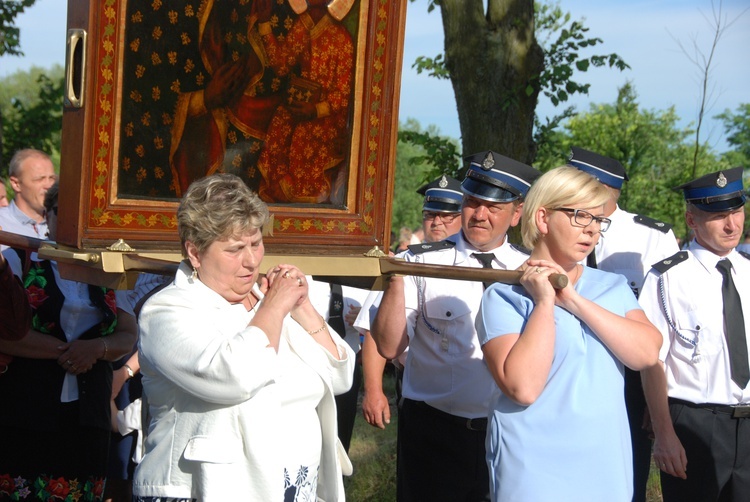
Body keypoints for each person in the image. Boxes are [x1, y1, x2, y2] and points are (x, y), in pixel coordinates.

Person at [132, 173, 355, 501]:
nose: (251, 260)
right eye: (235, 249)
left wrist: (303, 307)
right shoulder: (167, 310)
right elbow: (234, 377)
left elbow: (340, 378)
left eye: (256, 243)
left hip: (297, 487)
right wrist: (276, 306)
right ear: (195, 253)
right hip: (209, 489)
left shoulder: (266, 300)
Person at [476, 166, 661, 501]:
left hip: (605, 464)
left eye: (598, 220)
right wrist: (545, 304)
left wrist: (574, 301)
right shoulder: (503, 296)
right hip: (533, 466)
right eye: (579, 216)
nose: (592, 230)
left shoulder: (612, 286)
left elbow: (647, 354)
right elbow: (523, 388)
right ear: (543, 219)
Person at [371, 151, 541, 502]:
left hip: (509, 430)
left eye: (493, 207)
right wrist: (397, 280)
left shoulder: (532, 270)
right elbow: (389, 347)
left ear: (516, 213)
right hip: (435, 431)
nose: (480, 215)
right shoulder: (421, 262)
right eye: (472, 203)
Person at [0, 183, 138, 502]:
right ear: (46, 216)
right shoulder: (19, 258)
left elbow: (127, 334)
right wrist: (66, 352)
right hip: (25, 405)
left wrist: (96, 349)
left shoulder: (111, 266)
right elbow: (7, 332)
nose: (73, 222)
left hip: (88, 412)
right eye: (63, 212)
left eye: (85, 215)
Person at [567, 146, 679, 501]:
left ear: (599, 188)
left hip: (628, 378)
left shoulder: (651, 237)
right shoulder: (558, 223)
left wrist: (655, 395)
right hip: (565, 367)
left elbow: (667, 321)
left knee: (625, 481)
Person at [639, 167, 750, 501]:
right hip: (696, 424)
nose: (732, 225)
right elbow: (651, 361)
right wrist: (664, 434)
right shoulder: (667, 278)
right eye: (718, 217)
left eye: (737, 212)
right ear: (692, 220)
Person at [359, 173, 464, 429]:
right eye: (430, 214)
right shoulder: (405, 262)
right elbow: (374, 331)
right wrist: (373, 390)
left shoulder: (480, 264)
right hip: (418, 386)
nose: (437, 222)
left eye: (447, 215)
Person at [256, 0, 355, 203]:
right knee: (280, 123)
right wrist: (265, 23)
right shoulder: (302, 25)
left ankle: (304, 209)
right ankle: (277, 203)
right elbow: (282, 65)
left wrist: (316, 110)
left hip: (326, 117)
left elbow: (343, 93)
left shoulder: (341, 37)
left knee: (305, 138)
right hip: (300, 106)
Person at [307, 278, 369, 452]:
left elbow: (380, 318)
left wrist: (366, 319)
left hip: (347, 366)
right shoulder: (300, 275)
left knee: (341, 435)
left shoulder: (362, 277)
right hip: (309, 365)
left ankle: (338, 477)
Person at [0, 149, 57, 246]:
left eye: (51, 178)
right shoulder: (2, 223)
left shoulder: (60, 223)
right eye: (40, 179)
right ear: (16, 184)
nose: (49, 185)